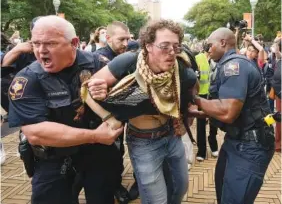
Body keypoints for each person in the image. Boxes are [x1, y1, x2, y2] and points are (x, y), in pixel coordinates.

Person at [8, 15, 123, 204]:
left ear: (74, 43)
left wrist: (110, 93)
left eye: (50, 43)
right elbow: (35, 133)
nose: (41, 51)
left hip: (99, 156)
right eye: (36, 43)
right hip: (53, 160)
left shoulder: (100, 65)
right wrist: (95, 135)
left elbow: (129, 102)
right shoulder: (26, 80)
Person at [87, 19, 198, 204]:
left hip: (171, 136)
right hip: (143, 142)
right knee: (157, 200)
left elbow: (191, 88)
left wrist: (185, 118)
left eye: (176, 46)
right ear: (148, 46)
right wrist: (107, 115)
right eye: (164, 46)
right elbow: (87, 90)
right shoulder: (128, 62)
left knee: (180, 188)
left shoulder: (180, 68)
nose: (171, 52)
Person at [191, 27, 275, 204]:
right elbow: (222, 109)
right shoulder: (227, 64)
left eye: (210, 44)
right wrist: (196, 112)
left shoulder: (233, 66)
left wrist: (194, 99)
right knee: (224, 194)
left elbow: (228, 112)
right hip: (236, 140)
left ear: (222, 43)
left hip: (250, 146)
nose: (208, 48)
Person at [73, 21, 131, 204]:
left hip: (117, 120)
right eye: (121, 39)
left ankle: (116, 185)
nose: (126, 43)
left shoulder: (124, 57)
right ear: (108, 38)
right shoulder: (97, 60)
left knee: (117, 157)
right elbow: (85, 92)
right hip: (97, 125)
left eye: (128, 39)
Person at [195, 42, 218, 161]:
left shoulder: (218, 59)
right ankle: (201, 151)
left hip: (214, 95)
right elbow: (195, 77)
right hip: (202, 95)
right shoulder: (197, 58)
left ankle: (213, 144)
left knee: (214, 122)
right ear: (209, 49)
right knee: (200, 123)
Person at [271, 39, 281, 152]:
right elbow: (277, 53)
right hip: (279, 94)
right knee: (278, 118)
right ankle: (278, 143)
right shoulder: (278, 58)